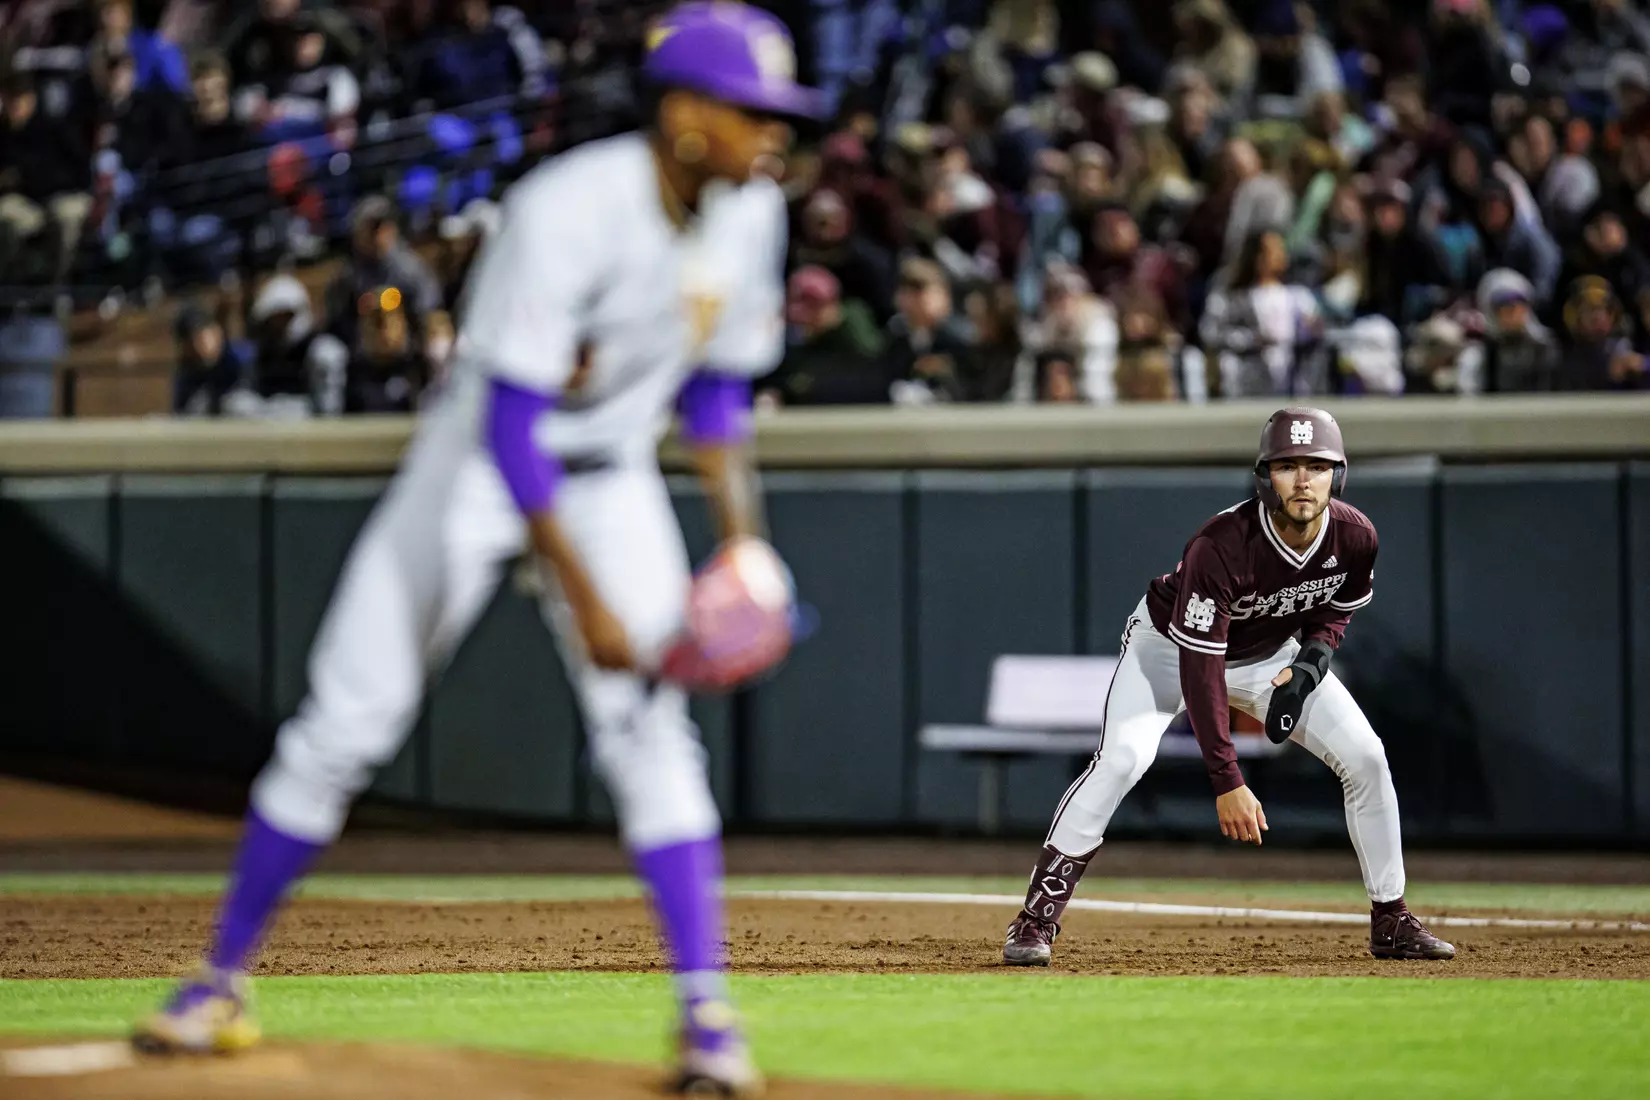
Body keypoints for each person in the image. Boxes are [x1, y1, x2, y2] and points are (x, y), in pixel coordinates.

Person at [131, 6, 821, 1095]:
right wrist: (588, 600)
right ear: (685, 116)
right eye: (755, 111)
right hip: (477, 470)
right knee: (345, 723)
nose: (775, 132)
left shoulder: (752, 216)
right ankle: (217, 977)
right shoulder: (566, 209)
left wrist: (747, 551)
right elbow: (510, 427)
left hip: (610, 476)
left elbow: (720, 392)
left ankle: (704, 1014)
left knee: (651, 737)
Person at [1001, 407, 1455, 967]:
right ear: (1265, 475)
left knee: (1367, 757)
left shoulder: (1356, 536)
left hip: (1270, 654)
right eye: (1289, 466)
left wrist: (1310, 665)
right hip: (1169, 650)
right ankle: (1036, 918)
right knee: (1120, 760)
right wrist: (1227, 777)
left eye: (1317, 466)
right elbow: (1200, 669)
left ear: (1338, 474)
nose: (1304, 479)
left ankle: (1391, 918)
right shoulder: (1221, 545)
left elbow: (1335, 612)